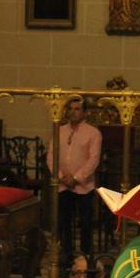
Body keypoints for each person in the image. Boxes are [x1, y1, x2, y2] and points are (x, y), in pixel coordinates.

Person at [46, 97, 102, 267]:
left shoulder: (93, 133)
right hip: (63, 184)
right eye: (70, 109)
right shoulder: (59, 131)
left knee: (85, 223)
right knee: (64, 222)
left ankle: (85, 257)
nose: (73, 112)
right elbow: (51, 156)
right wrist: (60, 176)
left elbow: (93, 159)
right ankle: (67, 255)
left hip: (84, 186)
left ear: (84, 112)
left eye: (77, 109)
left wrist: (76, 178)